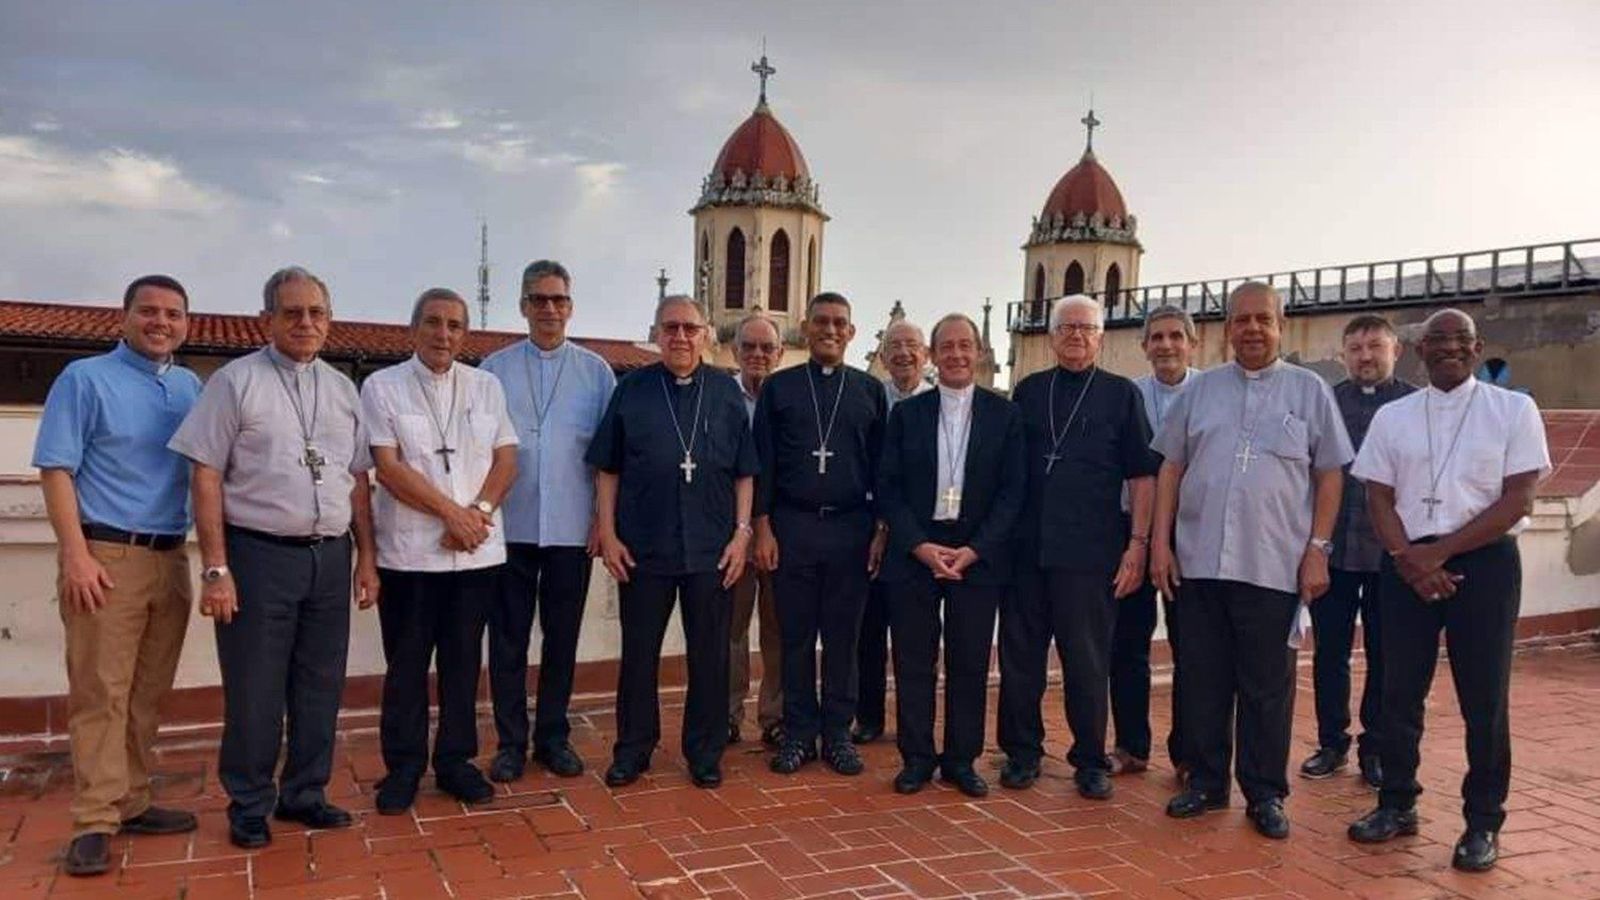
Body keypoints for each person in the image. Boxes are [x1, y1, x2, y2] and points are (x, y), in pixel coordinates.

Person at [168, 266, 380, 849]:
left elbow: (358, 479)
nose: (305, 322)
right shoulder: (235, 383)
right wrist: (217, 568)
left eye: (316, 312)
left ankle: (305, 793)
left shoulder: (342, 389)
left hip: (329, 556)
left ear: (329, 320)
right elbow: (205, 474)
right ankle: (249, 802)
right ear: (268, 320)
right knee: (255, 688)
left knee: (320, 684)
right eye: (292, 312)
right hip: (259, 556)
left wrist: (366, 557)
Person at [1346, 309, 1549, 873]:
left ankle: (1483, 821)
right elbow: (1378, 497)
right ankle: (1396, 803)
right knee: (1397, 693)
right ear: (1420, 351)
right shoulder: (1394, 416)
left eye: (1461, 339)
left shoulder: (1513, 410)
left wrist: (1440, 553)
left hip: (1484, 563)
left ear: (1477, 348)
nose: (1449, 348)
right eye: (1437, 339)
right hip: (1406, 561)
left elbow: (1519, 499)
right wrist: (1409, 559)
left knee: (1484, 700)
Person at [1151, 281, 1352, 839]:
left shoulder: (1310, 391)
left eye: (1263, 319)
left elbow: (1330, 474)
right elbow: (1171, 467)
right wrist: (1161, 544)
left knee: (1267, 687)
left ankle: (1265, 793)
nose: (1252, 329)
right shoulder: (1200, 390)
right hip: (1198, 562)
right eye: (1241, 320)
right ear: (1227, 329)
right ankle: (1206, 782)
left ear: (1280, 325)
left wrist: (1318, 550)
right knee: (1203, 679)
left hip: (1273, 564)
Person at [34, 275, 203, 876]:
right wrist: (76, 555)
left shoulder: (188, 386)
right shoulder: (84, 378)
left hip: (170, 556)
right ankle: (94, 820)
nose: (161, 322)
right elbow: (56, 469)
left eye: (174, 314)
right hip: (105, 555)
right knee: (100, 691)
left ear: (186, 324)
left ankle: (132, 799)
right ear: (125, 317)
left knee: (146, 691)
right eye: (149, 311)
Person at [359, 288, 519, 813]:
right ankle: (403, 768)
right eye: (433, 322)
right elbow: (388, 467)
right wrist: (452, 515)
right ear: (414, 329)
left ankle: (455, 762)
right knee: (406, 666)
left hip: (475, 554)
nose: (443, 334)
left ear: (464, 334)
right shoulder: (382, 386)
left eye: (454, 325)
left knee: (463, 663)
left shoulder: (486, 386)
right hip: (409, 557)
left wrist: (479, 512)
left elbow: (506, 460)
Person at [589, 296, 757, 789]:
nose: (680, 337)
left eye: (689, 328)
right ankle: (633, 749)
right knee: (639, 654)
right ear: (656, 334)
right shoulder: (631, 390)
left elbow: (745, 472)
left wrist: (742, 535)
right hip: (644, 545)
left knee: (711, 655)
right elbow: (607, 469)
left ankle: (704, 752)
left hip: (712, 547)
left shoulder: (726, 393)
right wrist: (608, 533)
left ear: (705, 335)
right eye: (670, 328)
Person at [998, 295, 1160, 800]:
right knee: (1021, 659)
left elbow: (1143, 476)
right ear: (1051, 336)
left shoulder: (1121, 395)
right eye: (1067, 327)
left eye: (1086, 329)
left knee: (1087, 662)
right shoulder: (1029, 390)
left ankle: (1090, 759)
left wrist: (1138, 545)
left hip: (1091, 553)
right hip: (1027, 550)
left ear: (1100, 338)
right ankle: (1022, 752)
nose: (1076, 336)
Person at [877, 313, 1024, 798]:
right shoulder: (907, 415)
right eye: (947, 347)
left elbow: (1013, 492)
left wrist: (976, 549)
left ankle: (961, 760)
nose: (957, 355)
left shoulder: (1005, 415)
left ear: (978, 352)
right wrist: (919, 546)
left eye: (965, 346)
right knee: (913, 662)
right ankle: (917, 758)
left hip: (976, 555)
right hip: (916, 551)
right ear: (932, 356)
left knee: (970, 661)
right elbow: (888, 488)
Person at [480, 260, 616, 782]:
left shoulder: (596, 373)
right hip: (508, 527)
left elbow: (607, 458)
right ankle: (511, 743)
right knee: (507, 640)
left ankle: (553, 737)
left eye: (558, 300)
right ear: (523, 306)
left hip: (571, 528)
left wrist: (602, 520)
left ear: (570, 307)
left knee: (562, 639)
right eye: (539, 299)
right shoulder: (493, 370)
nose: (549, 309)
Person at [753, 291, 887, 776]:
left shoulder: (870, 391)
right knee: (795, 636)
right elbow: (762, 463)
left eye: (839, 323)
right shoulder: (778, 388)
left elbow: (882, 468)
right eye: (821, 322)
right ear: (806, 329)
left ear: (851, 332)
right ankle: (797, 733)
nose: (830, 330)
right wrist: (762, 528)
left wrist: (881, 529)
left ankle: (837, 734)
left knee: (842, 638)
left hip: (851, 527)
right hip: (793, 526)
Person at [1301, 315, 1415, 787]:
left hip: (1391, 554)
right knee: (1330, 653)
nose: (1365, 357)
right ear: (1343, 355)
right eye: (1356, 348)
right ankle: (1332, 743)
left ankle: (1376, 746)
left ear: (1396, 351)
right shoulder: (1326, 404)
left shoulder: (1414, 407)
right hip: (1334, 550)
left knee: (1386, 654)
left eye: (1375, 347)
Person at [1108, 305, 1200, 781]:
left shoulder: (1210, 394)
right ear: (1144, 346)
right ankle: (1131, 746)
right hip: (1135, 532)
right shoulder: (1128, 396)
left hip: (1192, 534)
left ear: (1192, 343)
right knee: (1127, 644)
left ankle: (1188, 753)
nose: (1166, 345)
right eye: (1157, 338)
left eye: (1175, 336)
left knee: (1193, 647)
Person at [854, 319, 931, 745]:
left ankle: (913, 721)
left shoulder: (938, 403)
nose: (903, 354)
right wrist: (879, 525)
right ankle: (868, 716)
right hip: (869, 532)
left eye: (911, 345)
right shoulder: (870, 399)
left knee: (913, 638)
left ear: (926, 354)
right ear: (882, 357)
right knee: (869, 630)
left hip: (919, 537)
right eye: (894, 347)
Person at [727, 314, 785, 748]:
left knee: (779, 629)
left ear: (780, 354)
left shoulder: (789, 397)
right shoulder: (720, 397)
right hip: (730, 534)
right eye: (749, 346)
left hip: (782, 533)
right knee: (730, 630)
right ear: (734, 351)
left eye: (767, 348)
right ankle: (727, 714)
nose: (758, 355)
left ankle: (776, 716)